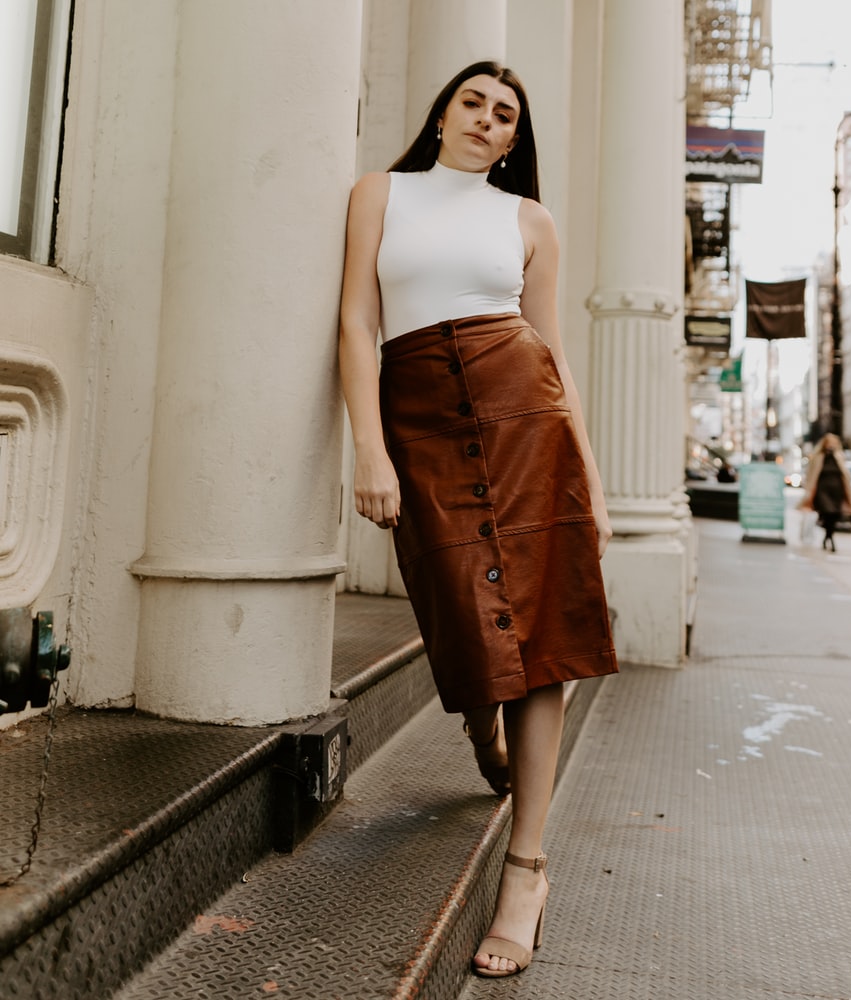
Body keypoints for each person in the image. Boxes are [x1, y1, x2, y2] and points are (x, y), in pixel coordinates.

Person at [338, 61, 618, 978]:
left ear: (513, 139)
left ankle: (526, 871)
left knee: (546, 639)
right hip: (418, 414)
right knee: (457, 604)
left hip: (524, 415)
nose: (488, 122)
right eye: (475, 103)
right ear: (443, 110)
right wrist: (370, 452)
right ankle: (481, 730)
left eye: (506, 116)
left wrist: (593, 477)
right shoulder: (379, 193)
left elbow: (552, 349)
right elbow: (355, 326)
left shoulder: (528, 220)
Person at [799, 433, 851, 552]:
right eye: (829, 443)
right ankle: (830, 539)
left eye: (833, 443)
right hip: (822, 491)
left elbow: (845, 474)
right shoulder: (818, 457)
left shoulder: (839, 456)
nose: (831, 446)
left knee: (834, 515)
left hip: (836, 492)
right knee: (827, 513)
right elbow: (812, 474)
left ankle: (828, 537)